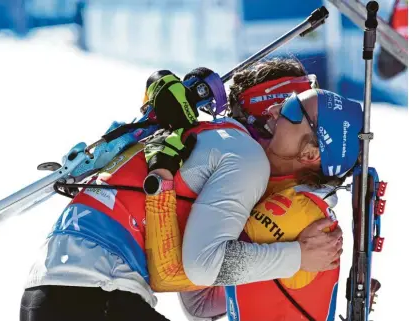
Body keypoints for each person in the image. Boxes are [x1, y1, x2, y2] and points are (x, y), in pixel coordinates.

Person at [19, 58, 343, 321]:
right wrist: (298, 258)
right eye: (291, 108)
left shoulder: (208, 138)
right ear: (269, 111)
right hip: (99, 293)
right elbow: (198, 270)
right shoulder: (247, 158)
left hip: (49, 291)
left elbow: (198, 301)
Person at [145, 64, 363, 320]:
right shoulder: (283, 193)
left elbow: (191, 286)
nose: (274, 112)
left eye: (290, 108)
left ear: (310, 154)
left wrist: (162, 179)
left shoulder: (291, 209)